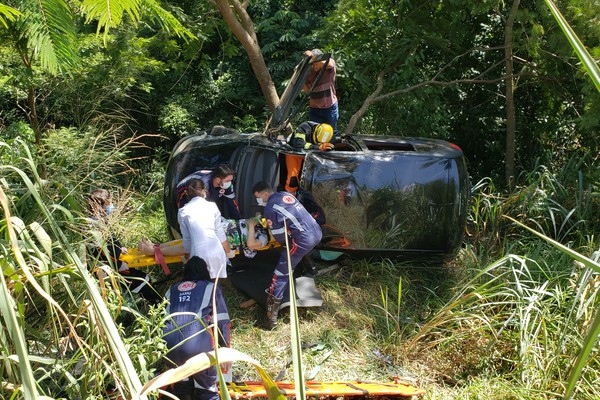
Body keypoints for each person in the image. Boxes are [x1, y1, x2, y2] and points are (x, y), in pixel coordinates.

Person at [252, 181, 323, 329]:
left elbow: (279, 238)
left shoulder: (270, 208)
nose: (258, 201)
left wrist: (285, 246)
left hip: (303, 239)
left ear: (265, 194)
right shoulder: (284, 195)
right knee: (304, 250)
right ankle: (310, 270)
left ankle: (271, 319)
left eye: (258, 197)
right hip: (316, 232)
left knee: (281, 273)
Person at [163, 256, 231, 400]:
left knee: (182, 385)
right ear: (205, 271)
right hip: (197, 344)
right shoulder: (210, 287)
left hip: (169, 345)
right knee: (207, 389)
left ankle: (184, 388)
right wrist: (225, 351)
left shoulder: (172, 289)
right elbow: (222, 321)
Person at [138, 216, 270, 259]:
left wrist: (251, 226)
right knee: (187, 239)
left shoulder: (264, 237)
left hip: (220, 242)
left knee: (187, 246)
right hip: (217, 229)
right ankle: (156, 247)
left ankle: (153, 252)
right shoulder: (260, 223)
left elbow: (252, 245)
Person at [178, 179, 234, 279]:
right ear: (204, 191)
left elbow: (187, 240)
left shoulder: (183, 211)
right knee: (214, 287)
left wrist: (187, 258)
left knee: (202, 286)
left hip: (198, 255)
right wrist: (228, 251)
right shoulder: (212, 206)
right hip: (217, 252)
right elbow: (220, 233)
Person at [176, 164, 242, 219]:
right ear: (218, 180)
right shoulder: (203, 185)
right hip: (184, 192)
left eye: (231, 180)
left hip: (207, 192)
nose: (229, 183)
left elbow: (232, 203)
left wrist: (239, 220)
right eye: (227, 181)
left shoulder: (226, 184)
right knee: (188, 216)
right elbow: (199, 207)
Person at [284, 121, 334, 194]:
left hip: (310, 156)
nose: (318, 143)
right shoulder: (305, 127)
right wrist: (317, 147)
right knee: (293, 179)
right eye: (317, 141)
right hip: (294, 153)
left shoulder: (328, 135)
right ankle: (289, 197)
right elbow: (298, 143)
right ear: (316, 132)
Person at [303, 48, 339, 137]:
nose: (314, 66)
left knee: (330, 134)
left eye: (316, 63)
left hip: (329, 107)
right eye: (312, 64)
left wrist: (314, 57)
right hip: (315, 108)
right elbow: (308, 91)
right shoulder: (309, 72)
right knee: (316, 134)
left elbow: (329, 63)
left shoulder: (328, 65)